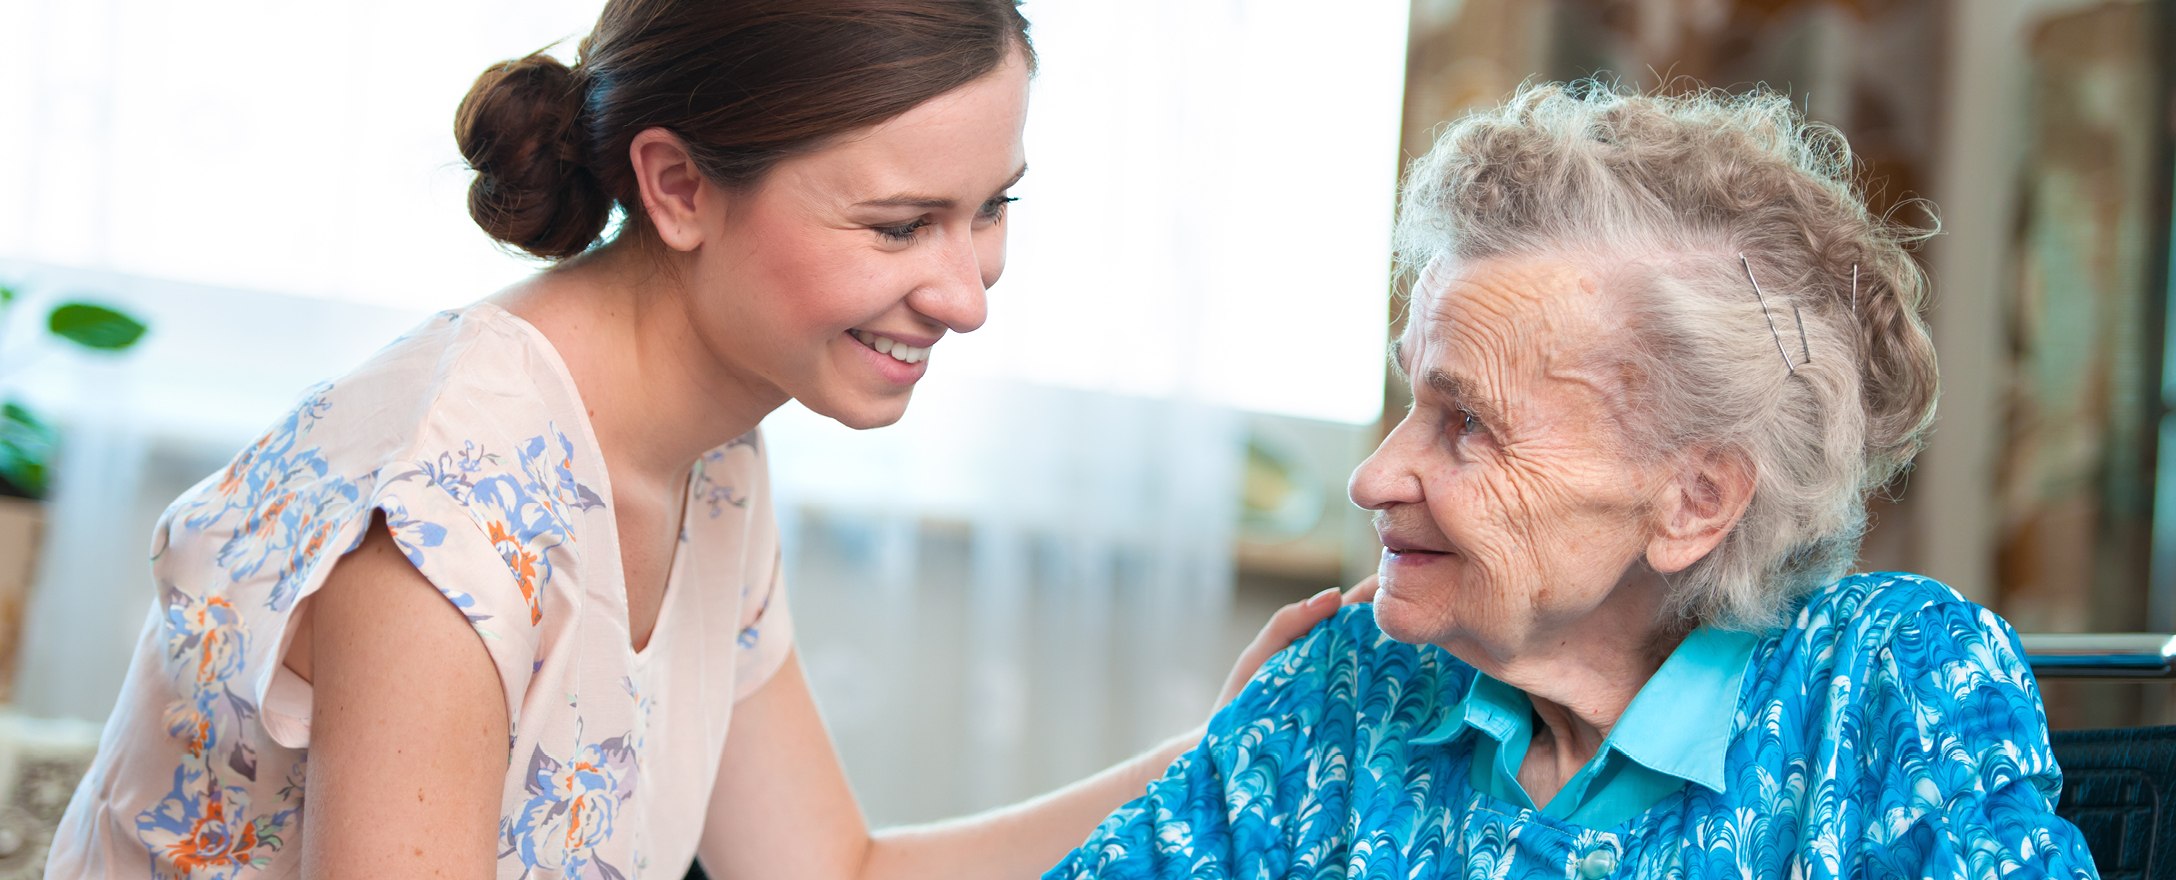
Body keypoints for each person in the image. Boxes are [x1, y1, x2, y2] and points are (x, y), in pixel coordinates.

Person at [49, 2, 1353, 877]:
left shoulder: (710, 451)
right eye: (900, 226)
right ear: (676, 187)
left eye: (989, 210)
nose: (965, 293)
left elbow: (831, 873)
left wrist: (1223, 756)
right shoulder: (443, 521)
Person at [1045, 83, 2101, 879]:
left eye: (1468, 425)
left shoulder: (1885, 684)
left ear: (1696, 499)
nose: (1373, 478)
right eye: (1410, 401)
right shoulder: (1353, 682)